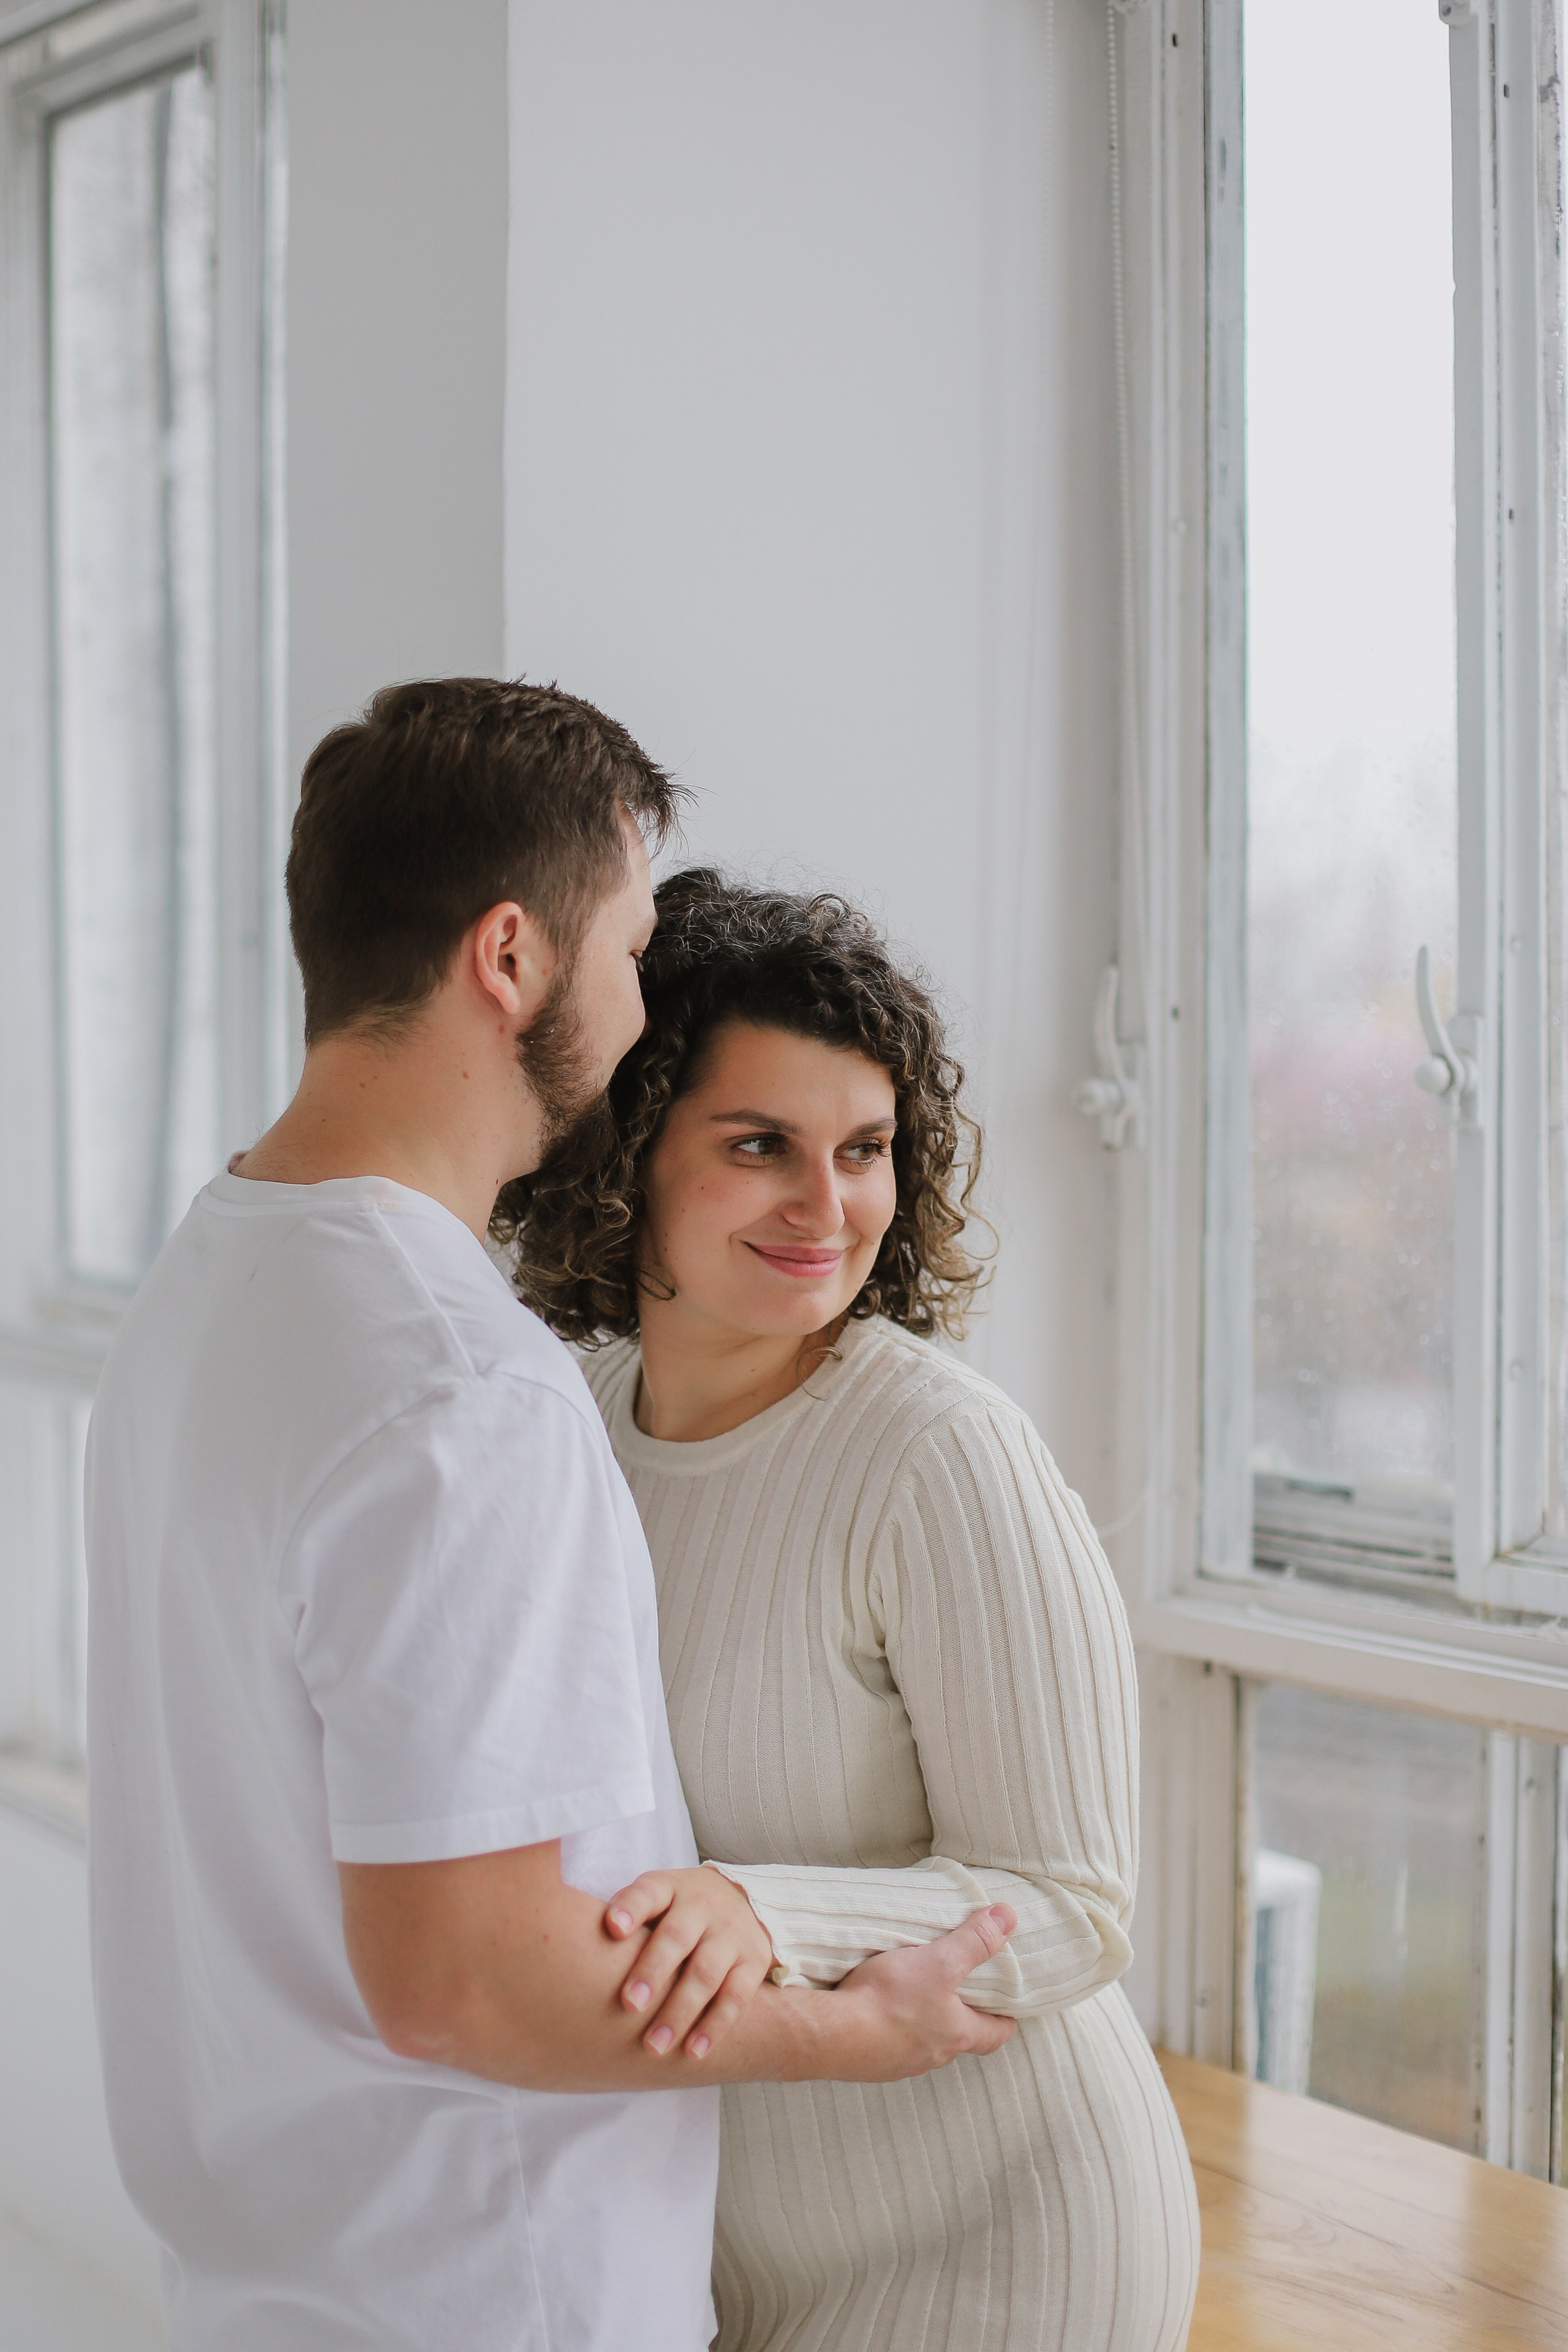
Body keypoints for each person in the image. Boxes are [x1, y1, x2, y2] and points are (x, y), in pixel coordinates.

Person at [85, 683, 1020, 2352]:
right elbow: (469, 1981)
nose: (643, 999)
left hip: (269, 2286)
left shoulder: (206, 1286)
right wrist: (853, 2032)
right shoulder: (462, 1389)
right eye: (632, 946)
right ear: (510, 956)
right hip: (487, 2296)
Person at [502, 867, 1202, 2352]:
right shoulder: (563, 1425)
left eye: (865, 1150)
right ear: (627, 1151)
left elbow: (1070, 1903)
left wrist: (764, 1909)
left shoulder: (940, 1454)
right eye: (759, 1144)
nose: (827, 1208)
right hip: (725, 2237)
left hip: (1007, 2230)